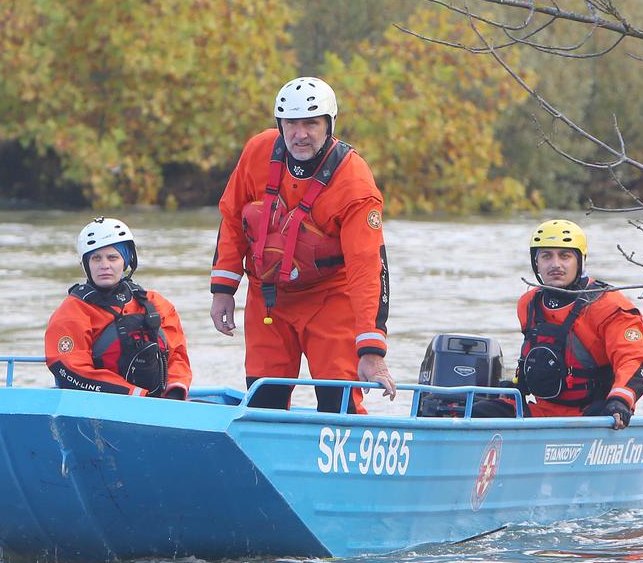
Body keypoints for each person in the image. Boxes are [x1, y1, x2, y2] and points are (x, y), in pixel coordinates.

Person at [210, 76, 396, 413]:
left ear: (329, 125)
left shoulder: (354, 183)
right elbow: (233, 218)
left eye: (311, 123)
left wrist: (371, 350)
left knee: (337, 401)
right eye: (291, 124)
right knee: (263, 402)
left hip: (329, 299)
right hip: (268, 299)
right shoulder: (257, 152)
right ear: (279, 125)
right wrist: (223, 289)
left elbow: (367, 267)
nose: (300, 134)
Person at [474, 218, 643, 428]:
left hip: (592, 414)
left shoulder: (611, 307)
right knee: (477, 411)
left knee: (604, 409)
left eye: (565, 256)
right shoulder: (529, 303)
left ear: (580, 261)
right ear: (536, 263)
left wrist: (620, 400)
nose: (555, 264)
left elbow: (635, 361)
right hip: (542, 412)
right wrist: (517, 386)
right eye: (546, 256)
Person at [45, 216, 192, 398]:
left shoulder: (155, 303)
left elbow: (177, 355)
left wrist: (175, 389)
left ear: (126, 260)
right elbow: (70, 369)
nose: (104, 266)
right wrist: (134, 395)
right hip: (101, 403)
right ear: (86, 264)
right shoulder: (72, 311)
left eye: (113, 257)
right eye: (96, 258)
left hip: (158, 402)